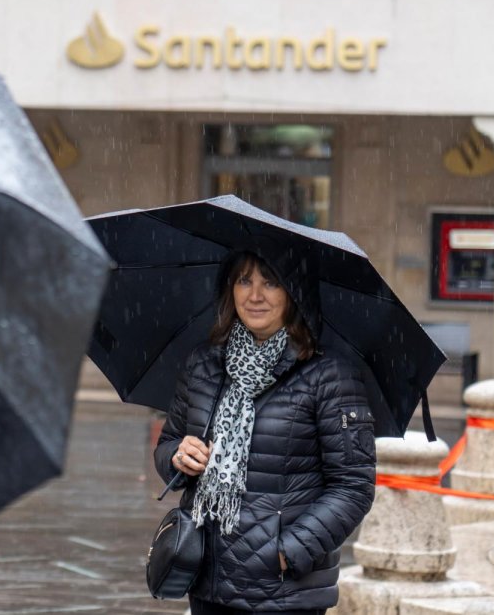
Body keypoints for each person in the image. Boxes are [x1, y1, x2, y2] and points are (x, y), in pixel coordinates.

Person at [154, 249, 377, 615]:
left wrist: (288, 552)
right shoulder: (204, 365)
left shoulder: (330, 376)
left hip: (283, 592)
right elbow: (167, 446)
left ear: (294, 292)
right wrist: (178, 455)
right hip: (206, 577)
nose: (254, 295)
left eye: (270, 282)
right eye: (245, 280)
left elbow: (353, 486)